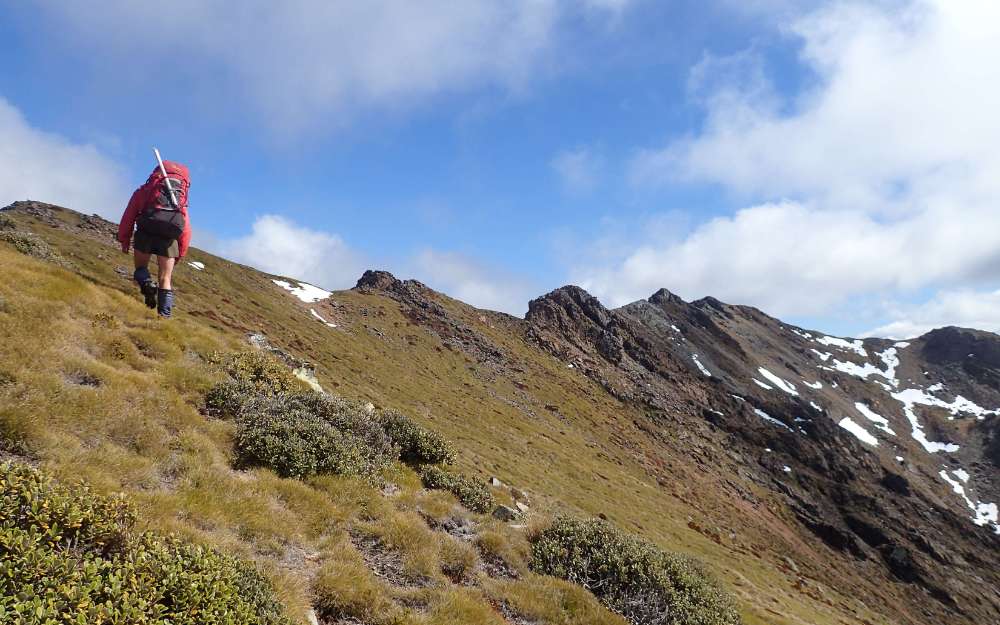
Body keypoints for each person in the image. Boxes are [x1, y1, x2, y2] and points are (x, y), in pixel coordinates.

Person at [117, 160, 192, 318]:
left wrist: (124, 239)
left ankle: (146, 284)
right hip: (169, 238)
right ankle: (164, 316)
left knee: (141, 269)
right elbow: (186, 229)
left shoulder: (144, 191)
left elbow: (129, 216)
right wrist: (181, 253)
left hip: (145, 232)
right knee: (165, 277)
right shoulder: (179, 201)